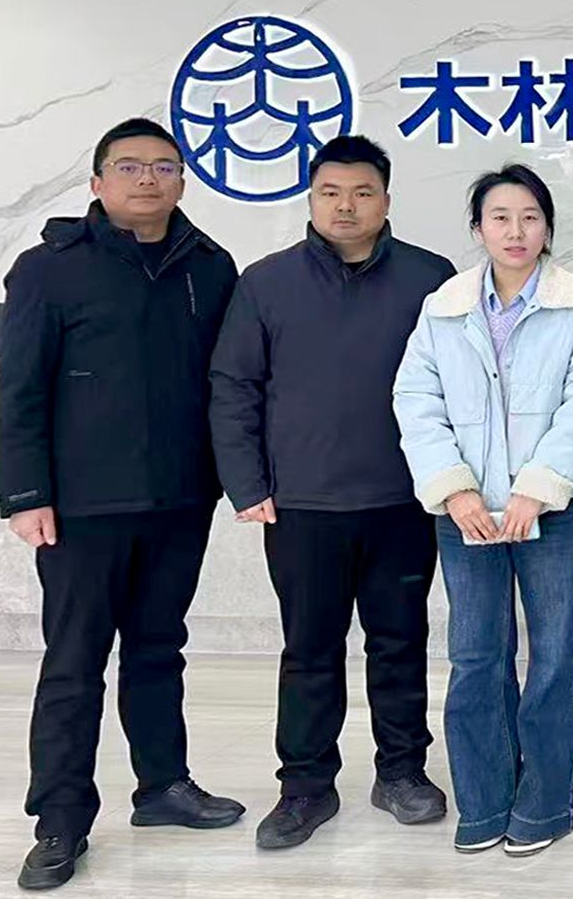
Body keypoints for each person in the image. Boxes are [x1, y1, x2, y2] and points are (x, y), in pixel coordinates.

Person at [0, 117, 243, 891]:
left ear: (183, 180)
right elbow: (20, 390)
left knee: (158, 650)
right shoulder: (48, 269)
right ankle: (60, 819)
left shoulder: (211, 266)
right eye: (129, 167)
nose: (147, 179)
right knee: (74, 663)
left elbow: (228, 383)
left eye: (163, 166)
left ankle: (162, 786)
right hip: (81, 507)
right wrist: (26, 494)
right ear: (98, 182)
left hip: (179, 498)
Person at [209, 135, 457, 850]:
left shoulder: (430, 278)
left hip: (402, 501)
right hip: (302, 505)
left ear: (386, 200)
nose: (346, 206)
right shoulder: (266, 282)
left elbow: (462, 385)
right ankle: (305, 787)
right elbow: (233, 386)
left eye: (362, 193)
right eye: (331, 193)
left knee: (400, 642)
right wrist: (247, 484)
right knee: (309, 650)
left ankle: (402, 772)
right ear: (312, 199)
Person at [394, 164, 573, 857]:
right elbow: (416, 401)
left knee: (554, 657)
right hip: (466, 516)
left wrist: (537, 488)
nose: (516, 231)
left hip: (552, 513)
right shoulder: (444, 307)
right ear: (478, 228)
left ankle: (546, 804)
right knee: (476, 657)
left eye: (530, 217)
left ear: (547, 228)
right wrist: (455, 490)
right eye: (500, 217)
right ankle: (484, 802)